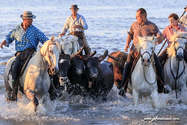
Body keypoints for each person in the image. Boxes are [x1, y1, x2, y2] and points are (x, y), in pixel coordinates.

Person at [118, 8, 169, 97]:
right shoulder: (134, 24)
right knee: (128, 65)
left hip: (147, 51)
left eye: (137, 16)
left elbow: (160, 36)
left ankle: (162, 86)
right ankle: (123, 88)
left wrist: (154, 41)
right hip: (134, 50)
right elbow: (130, 35)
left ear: (143, 17)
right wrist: (127, 45)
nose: (135, 18)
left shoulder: (152, 26)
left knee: (158, 65)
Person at [0, 11, 49, 101]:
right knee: (15, 68)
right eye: (30, 19)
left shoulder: (35, 30)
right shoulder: (17, 29)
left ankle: (51, 91)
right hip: (20, 54)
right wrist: (5, 41)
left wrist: (51, 45)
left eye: (32, 19)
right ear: (24, 20)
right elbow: (10, 36)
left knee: (47, 67)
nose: (32, 21)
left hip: (32, 53)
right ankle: (14, 91)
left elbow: (45, 39)